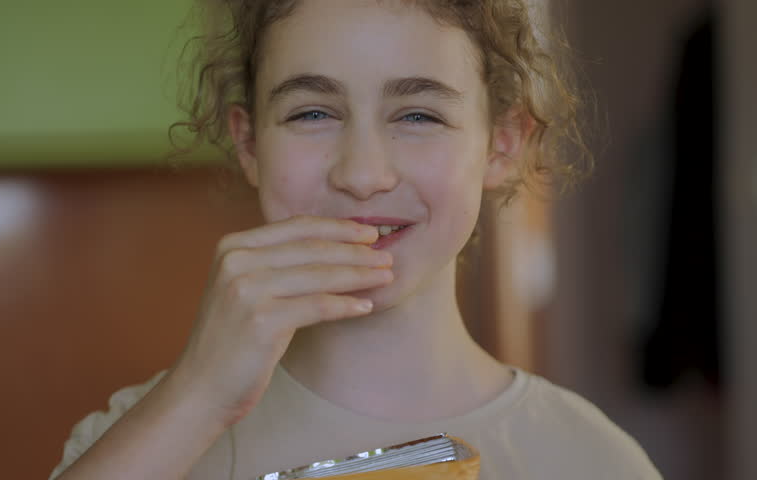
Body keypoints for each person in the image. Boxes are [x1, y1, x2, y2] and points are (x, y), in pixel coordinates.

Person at [50, 0, 662, 478]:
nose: (364, 175)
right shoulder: (142, 436)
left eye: (418, 115)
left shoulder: (593, 460)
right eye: (313, 112)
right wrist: (198, 399)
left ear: (501, 144)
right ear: (248, 144)